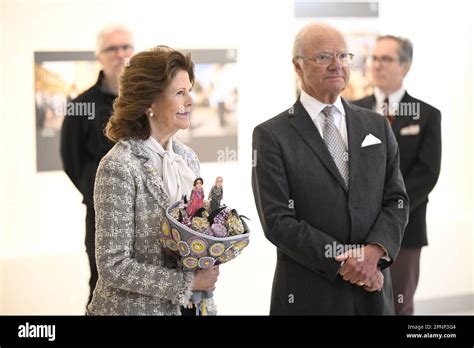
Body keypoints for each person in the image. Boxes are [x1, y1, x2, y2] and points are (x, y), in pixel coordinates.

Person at [251, 23, 409, 315]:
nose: (337, 65)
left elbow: (396, 199)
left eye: (343, 56)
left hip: (373, 293)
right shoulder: (271, 135)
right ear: (298, 67)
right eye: (323, 57)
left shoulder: (376, 126)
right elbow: (278, 220)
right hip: (310, 296)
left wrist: (374, 254)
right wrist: (346, 261)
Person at [87, 46, 219, 315]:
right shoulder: (118, 165)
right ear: (149, 101)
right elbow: (113, 265)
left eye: (190, 90)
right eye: (180, 93)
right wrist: (187, 282)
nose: (191, 100)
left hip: (191, 307)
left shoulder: (187, 158)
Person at [352, 35, 442, 315]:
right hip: (357, 229)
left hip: (406, 229)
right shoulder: (351, 110)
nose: (377, 65)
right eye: (374, 58)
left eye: (386, 59)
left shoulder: (426, 115)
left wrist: (391, 213)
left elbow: (427, 174)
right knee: (361, 304)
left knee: (399, 304)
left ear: (405, 66)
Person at [60, 24, 135, 308]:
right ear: (99, 56)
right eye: (113, 48)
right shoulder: (81, 104)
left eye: (126, 47)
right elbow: (72, 160)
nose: (121, 54)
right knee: (102, 286)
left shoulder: (145, 103)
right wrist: (100, 196)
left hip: (145, 215)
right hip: (100, 215)